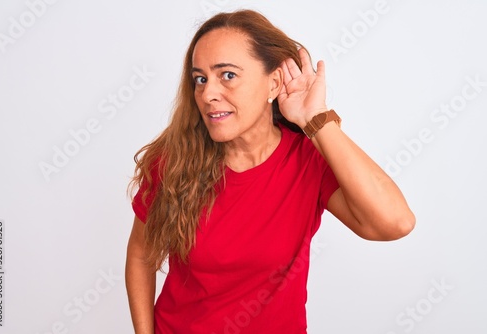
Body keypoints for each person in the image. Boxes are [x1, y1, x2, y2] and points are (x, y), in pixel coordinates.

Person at [125, 9, 415, 334]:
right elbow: (140, 255)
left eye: (228, 75)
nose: (207, 94)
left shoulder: (307, 161)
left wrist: (315, 118)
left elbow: (395, 223)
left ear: (273, 83)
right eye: (200, 79)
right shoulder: (174, 160)